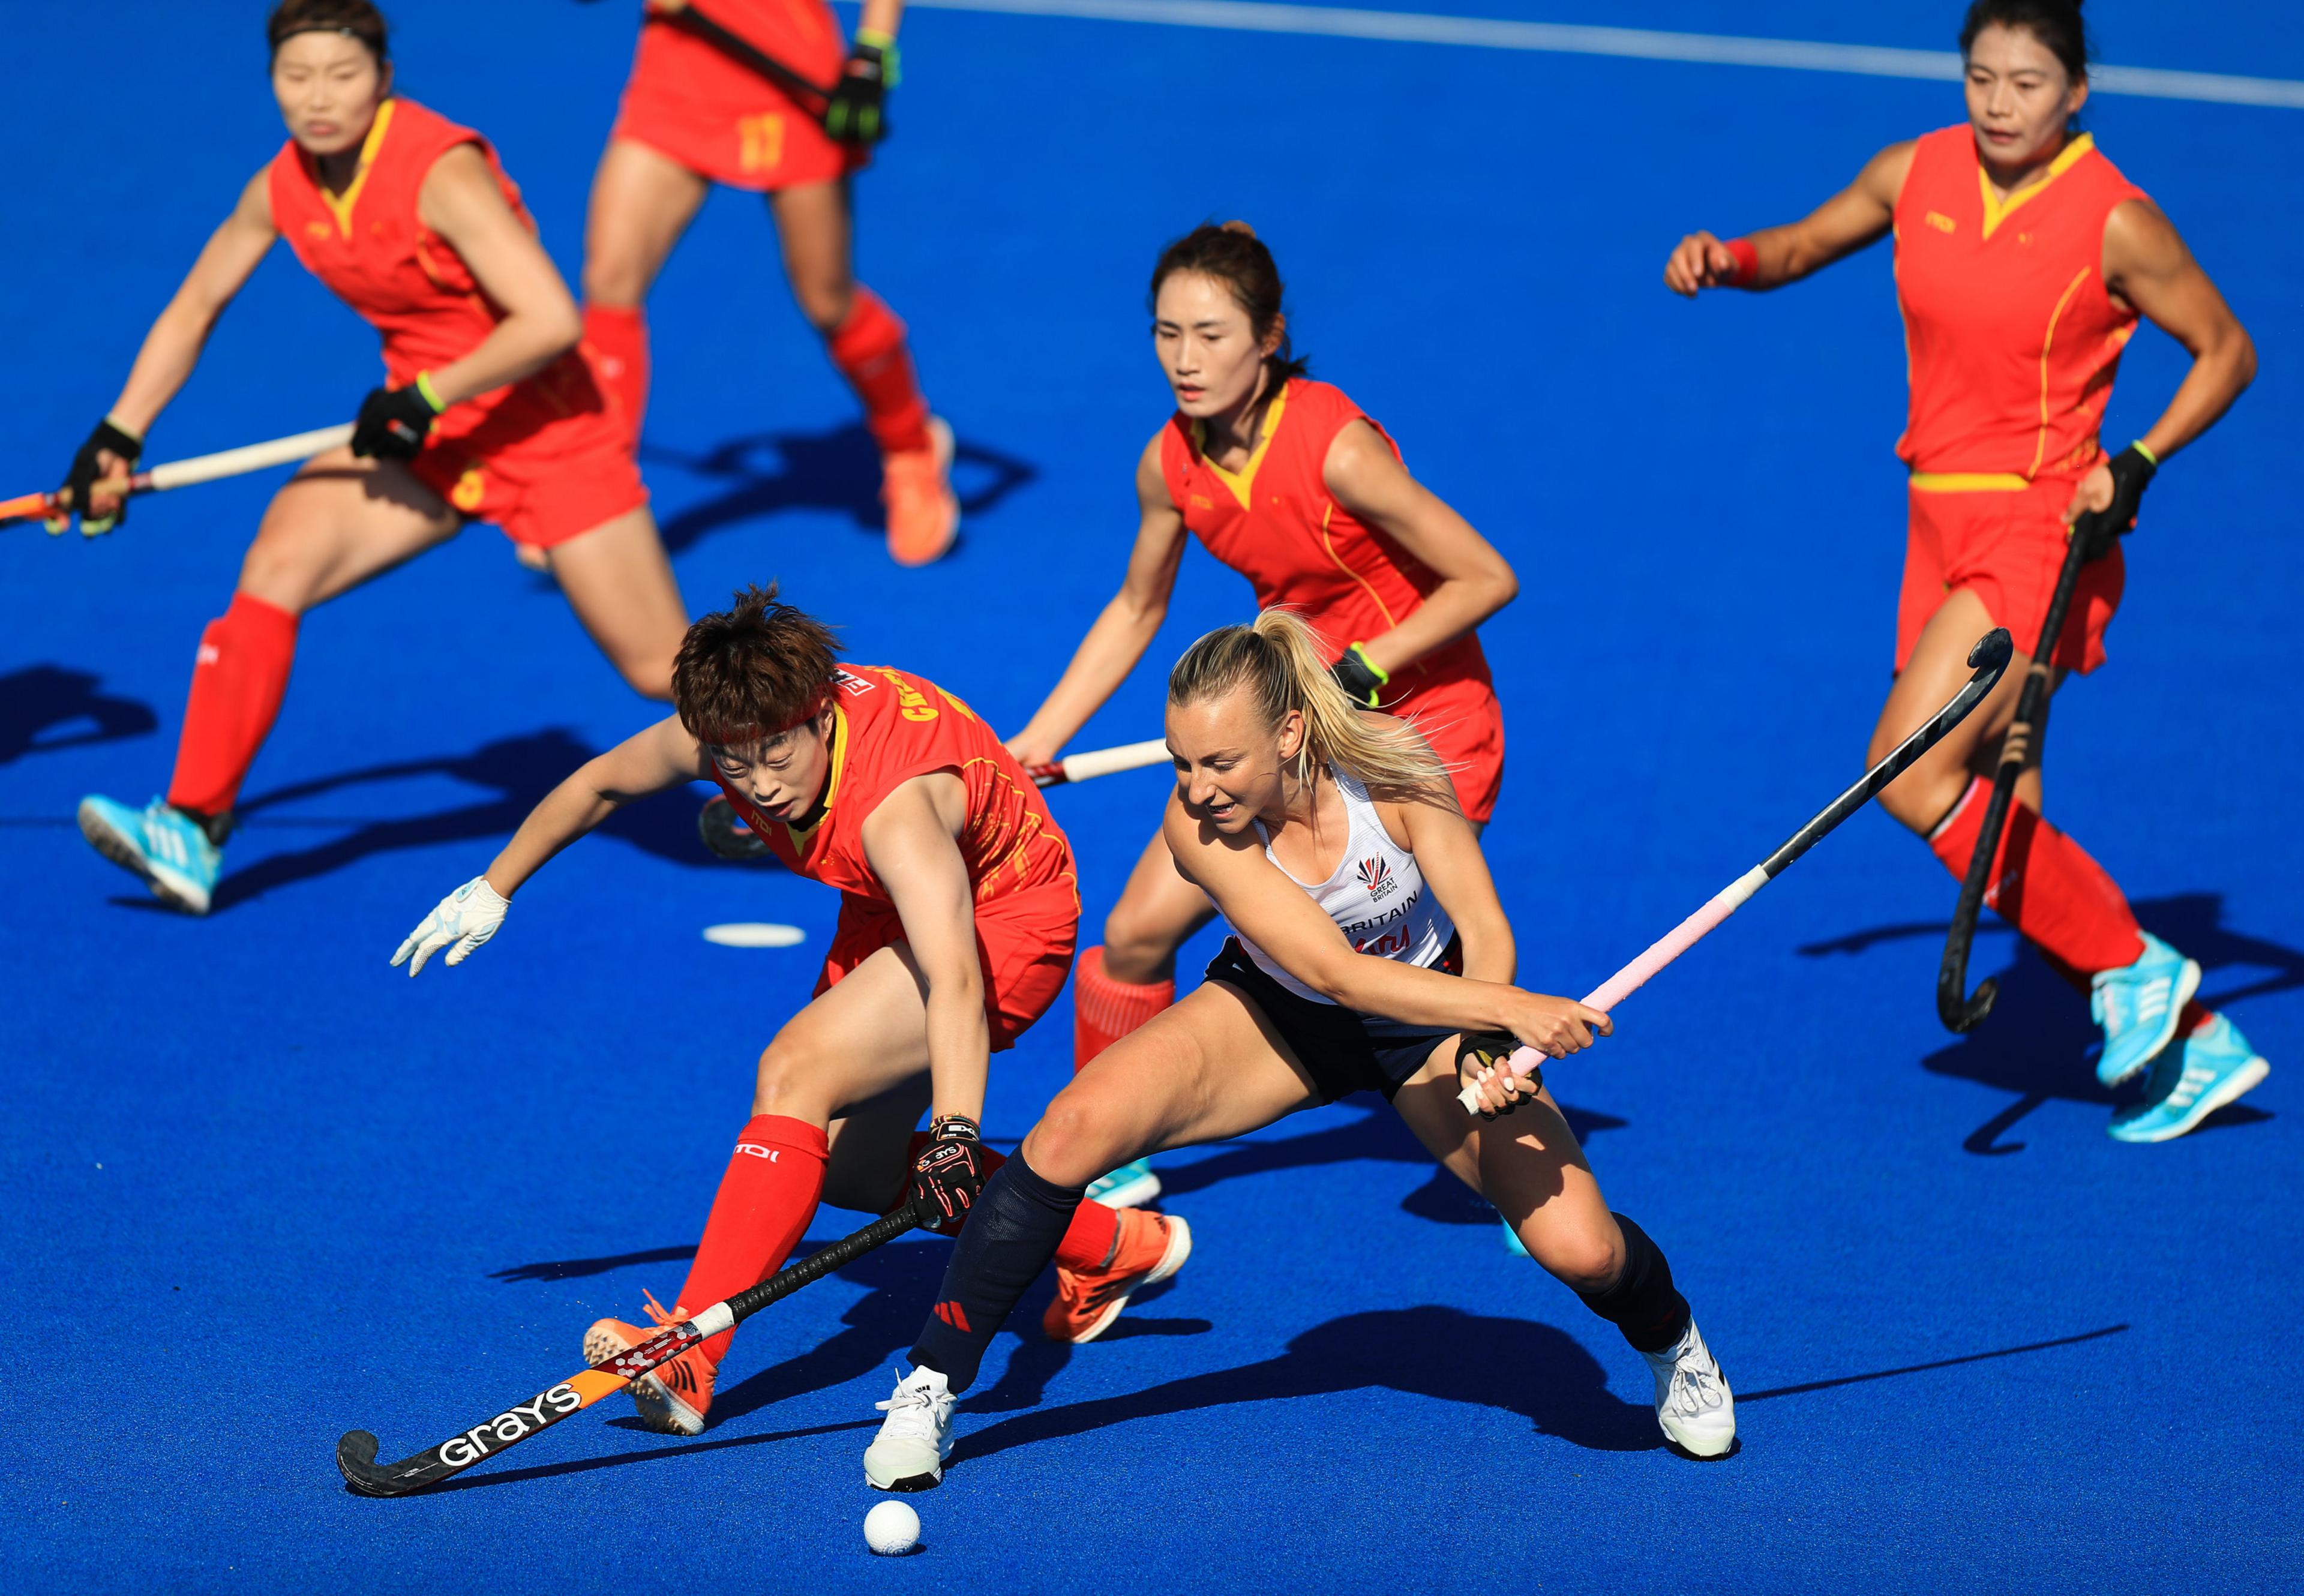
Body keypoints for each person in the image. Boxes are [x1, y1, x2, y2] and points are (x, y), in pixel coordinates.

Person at [860, 612, 1733, 1490]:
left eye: (1219, 762)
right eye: (1181, 761)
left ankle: (1676, 1344)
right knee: (1070, 1128)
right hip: (1280, 1014)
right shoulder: (1197, 827)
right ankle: (932, 1380)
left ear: (1289, 733)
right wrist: (1510, 1008)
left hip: (1433, 1022)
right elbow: (1335, 975)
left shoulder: (1393, 762)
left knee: (1584, 1253)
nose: (1195, 788)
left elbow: (1484, 928)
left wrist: (1484, 1036)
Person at [1662, 0, 2263, 1142]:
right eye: (1982, 76)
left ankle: (2137, 964)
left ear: (2076, 90)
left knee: (1908, 773)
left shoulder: (2116, 220)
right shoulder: (1916, 171)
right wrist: (1726, 261)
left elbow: (2227, 349)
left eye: (2028, 82)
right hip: (1932, 528)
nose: (1998, 102)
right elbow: (1796, 247)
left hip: (2041, 527)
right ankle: (2194, 1052)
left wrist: (2137, 461)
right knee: (1999, 800)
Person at [392, 586, 1191, 1436]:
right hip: (884, 915)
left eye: (777, 756)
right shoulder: (740, 726)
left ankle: (686, 1353)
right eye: (734, 766)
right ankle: (1113, 1246)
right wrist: (494, 885)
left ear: (819, 715)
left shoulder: (894, 810)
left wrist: (957, 1133)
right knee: (851, 1175)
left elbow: (956, 978)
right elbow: (598, 786)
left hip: (1004, 923)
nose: (760, 785)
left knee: (795, 1069)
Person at [66, 0, 688, 917]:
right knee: (279, 560)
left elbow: (552, 319)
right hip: (428, 442)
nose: (319, 99)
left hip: (545, 433)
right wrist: (119, 434)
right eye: (297, 76)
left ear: (384, 79)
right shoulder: (283, 185)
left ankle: (846, 756)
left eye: (342, 75)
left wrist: (431, 393)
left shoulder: (441, 170)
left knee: (662, 674)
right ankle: (193, 827)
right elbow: (197, 304)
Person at [1008, 222, 1520, 1209]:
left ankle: (1519, 1173)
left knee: (1417, 959)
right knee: (1135, 933)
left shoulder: (1339, 450)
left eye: (1210, 335)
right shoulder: (1173, 464)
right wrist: (1041, 739)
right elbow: (1135, 607)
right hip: (1288, 724)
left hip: (1416, 716)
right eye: (1166, 335)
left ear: (1270, 338)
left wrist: (1370, 662)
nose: (1185, 361)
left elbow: (1484, 576)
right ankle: (1107, 1165)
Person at [580, 0, 957, 565]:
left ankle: (911, 445)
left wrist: (873, 54)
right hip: (677, 72)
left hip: (788, 80)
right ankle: (594, 491)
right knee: (610, 280)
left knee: (827, 300)